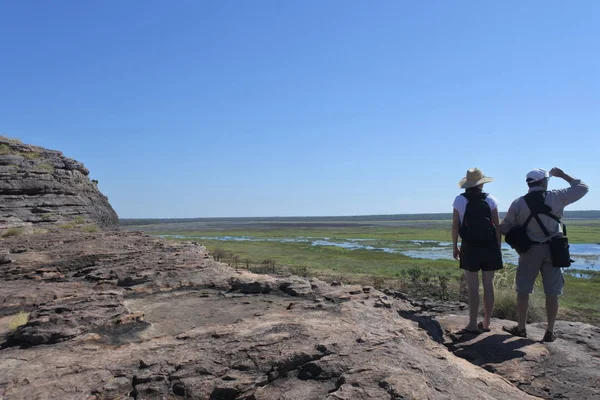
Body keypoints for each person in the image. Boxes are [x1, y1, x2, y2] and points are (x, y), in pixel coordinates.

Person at [501, 167, 588, 342]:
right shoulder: (556, 196)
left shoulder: (518, 203)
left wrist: (519, 245)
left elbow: (504, 227)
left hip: (529, 251)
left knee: (523, 290)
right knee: (552, 292)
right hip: (554, 250)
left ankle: (521, 328)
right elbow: (583, 188)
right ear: (543, 181)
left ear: (529, 183)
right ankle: (549, 331)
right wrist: (563, 175)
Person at [452, 168, 503, 333]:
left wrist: (455, 246)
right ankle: (487, 323)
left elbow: (455, 225)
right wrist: (498, 247)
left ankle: (472, 324)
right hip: (489, 247)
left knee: (473, 286)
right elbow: (497, 225)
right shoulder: (491, 199)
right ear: (482, 183)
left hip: (469, 246)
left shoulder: (459, 200)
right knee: (488, 285)